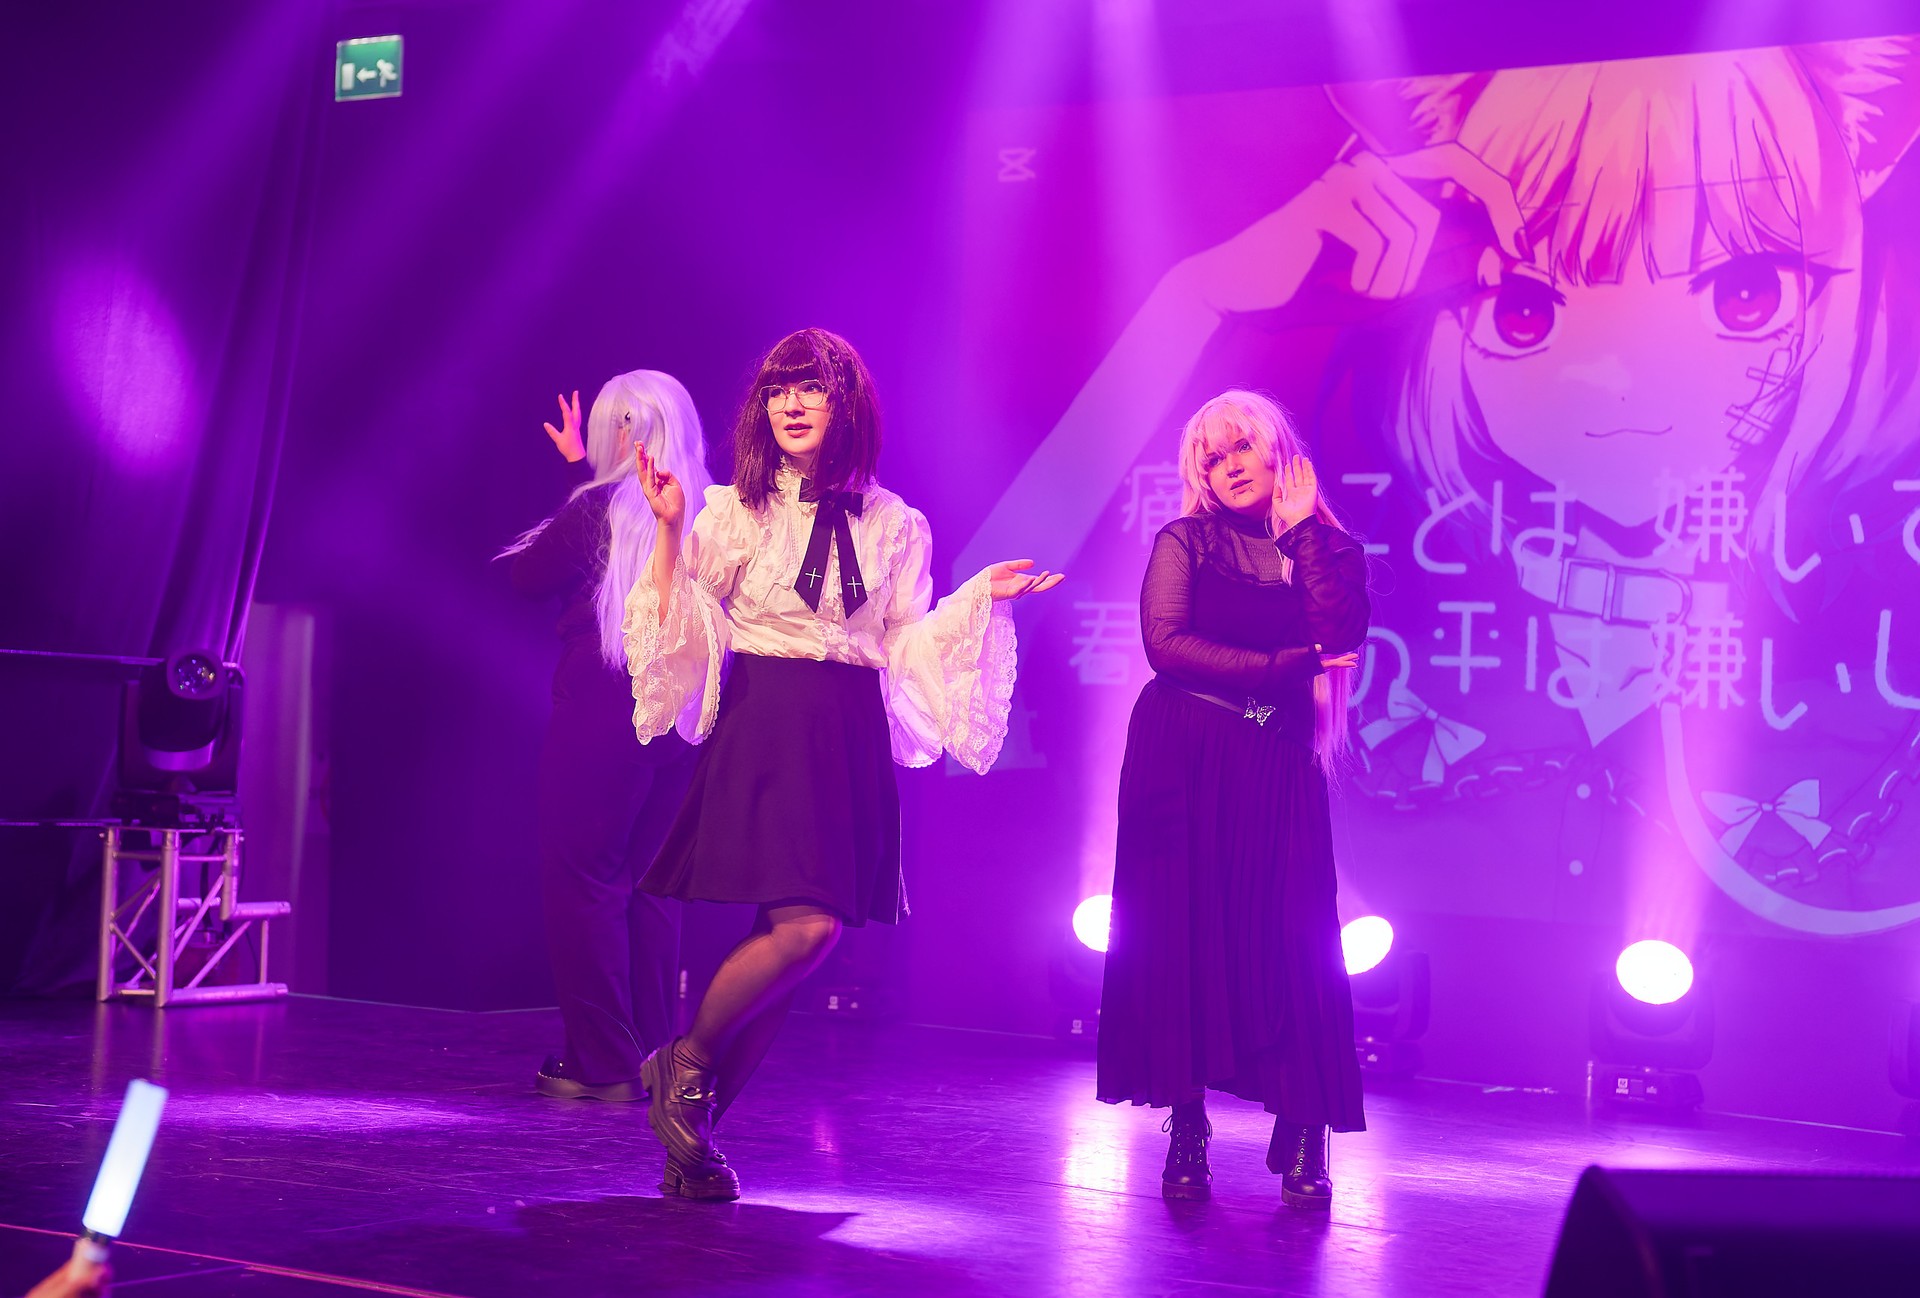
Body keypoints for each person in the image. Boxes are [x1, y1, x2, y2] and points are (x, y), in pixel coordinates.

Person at [623, 327, 1062, 1199]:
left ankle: (694, 1143)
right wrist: (670, 529)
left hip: (846, 729)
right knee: (807, 929)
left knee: (794, 944)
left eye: (810, 389)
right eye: (777, 389)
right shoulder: (736, 511)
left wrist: (979, 598)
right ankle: (686, 1061)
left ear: (845, 404)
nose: (790, 404)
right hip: (769, 717)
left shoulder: (894, 522)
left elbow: (903, 641)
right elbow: (679, 617)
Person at [1096, 390, 1367, 1208]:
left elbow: (1339, 634)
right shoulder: (1186, 540)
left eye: (1241, 446)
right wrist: (1287, 666)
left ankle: (1307, 1123)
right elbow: (1166, 645)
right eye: (1211, 458)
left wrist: (1303, 533)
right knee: (1179, 932)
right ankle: (1188, 1124)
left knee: (1296, 939)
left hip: (1276, 757)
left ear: (1277, 449)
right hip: (1181, 749)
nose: (1229, 466)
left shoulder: (1329, 547)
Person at [503, 370, 713, 1102]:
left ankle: (604, 1063)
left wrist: (579, 480)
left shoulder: (598, 510)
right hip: (682, 710)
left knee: (584, 880)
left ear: (622, 433)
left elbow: (527, 576)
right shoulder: (711, 511)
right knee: (653, 887)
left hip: (604, 698)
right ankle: (651, 1057)